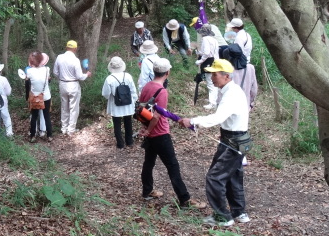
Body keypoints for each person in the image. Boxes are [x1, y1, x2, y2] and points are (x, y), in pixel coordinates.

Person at [179, 59, 251, 227]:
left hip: (233, 141)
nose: (211, 77)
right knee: (233, 175)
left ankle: (222, 217)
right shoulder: (229, 90)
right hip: (234, 139)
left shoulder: (231, 94)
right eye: (211, 73)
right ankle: (239, 212)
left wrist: (194, 121)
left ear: (226, 76)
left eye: (215, 74)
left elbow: (218, 118)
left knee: (215, 177)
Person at [138, 59, 205, 209]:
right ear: (167, 73)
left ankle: (147, 191)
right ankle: (185, 199)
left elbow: (141, 109)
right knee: (172, 166)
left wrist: (145, 128)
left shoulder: (146, 86)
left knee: (149, 163)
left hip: (150, 133)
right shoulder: (161, 91)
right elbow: (156, 115)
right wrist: (149, 130)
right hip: (160, 134)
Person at [53, 40, 91, 135]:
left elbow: (55, 72)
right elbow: (79, 76)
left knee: (64, 107)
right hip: (73, 85)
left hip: (63, 84)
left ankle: (64, 128)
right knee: (74, 108)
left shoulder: (59, 57)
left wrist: (61, 79)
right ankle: (71, 130)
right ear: (75, 49)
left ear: (66, 47)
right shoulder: (75, 60)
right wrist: (86, 75)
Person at [101, 57, 137, 150]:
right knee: (128, 122)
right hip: (128, 103)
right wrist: (135, 100)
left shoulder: (109, 78)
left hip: (116, 104)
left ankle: (120, 144)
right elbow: (133, 90)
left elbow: (105, 93)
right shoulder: (128, 76)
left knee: (116, 123)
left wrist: (111, 96)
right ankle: (129, 141)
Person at [26, 51, 53, 143]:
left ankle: (33, 136)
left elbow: (27, 81)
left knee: (34, 116)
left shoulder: (29, 71)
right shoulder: (47, 69)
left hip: (35, 97)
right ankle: (49, 135)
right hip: (46, 96)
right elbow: (47, 79)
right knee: (47, 116)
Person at [195, 25, 220, 110]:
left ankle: (212, 103)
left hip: (209, 62)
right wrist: (199, 52)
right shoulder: (214, 39)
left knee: (210, 82)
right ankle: (213, 99)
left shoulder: (205, 39)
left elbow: (206, 52)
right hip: (216, 61)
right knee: (215, 82)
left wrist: (200, 61)